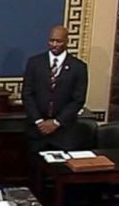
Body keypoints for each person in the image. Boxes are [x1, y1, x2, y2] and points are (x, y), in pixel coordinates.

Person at [21, 25, 88, 155]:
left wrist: (56, 122)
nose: (54, 44)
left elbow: (78, 99)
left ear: (67, 41)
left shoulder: (78, 67)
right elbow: (27, 94)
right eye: (51, 41)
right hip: (37, 131)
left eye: (59, 41)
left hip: (64, 132)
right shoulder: (35, 63)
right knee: (35, 170)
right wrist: (39, 121)